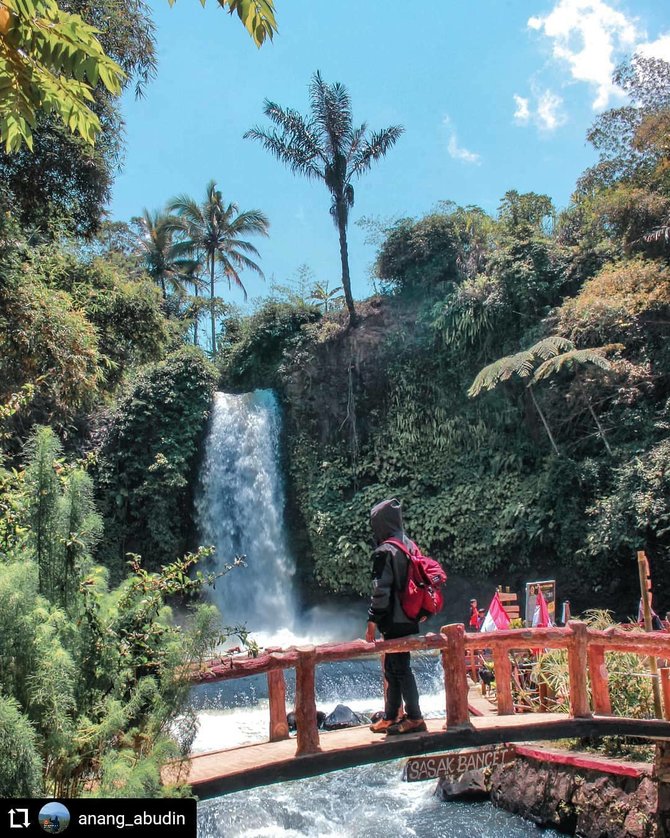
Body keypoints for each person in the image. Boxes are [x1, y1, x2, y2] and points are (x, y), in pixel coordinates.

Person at [365, 498, 427, 735]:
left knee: (400, 668)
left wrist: (372, 621)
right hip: (409, 616)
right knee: (392, 667)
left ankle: (414, 717)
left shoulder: (384, 551)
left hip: (393, 620)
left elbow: (380, 591)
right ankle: (391, 715)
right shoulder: (409, 545)